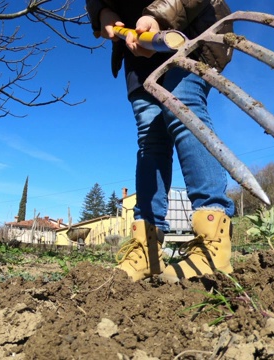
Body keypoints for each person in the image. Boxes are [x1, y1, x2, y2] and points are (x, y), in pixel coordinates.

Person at [85, 0, 236, 283]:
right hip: (136, 43)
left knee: (183, 106)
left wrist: (159, 17)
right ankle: (147, 247)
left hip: (190, 27)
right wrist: (102, 11)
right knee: (150, 133)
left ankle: (213, 240)